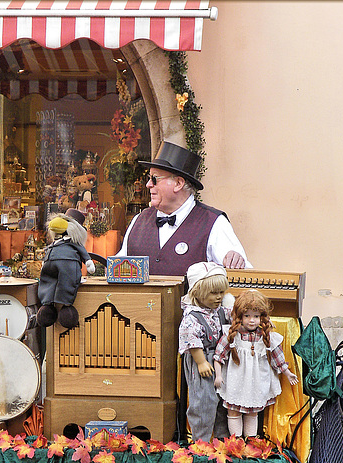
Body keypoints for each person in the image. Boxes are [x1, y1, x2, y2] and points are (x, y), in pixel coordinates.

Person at [115, 141, 251, 275]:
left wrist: (235, 262)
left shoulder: (213, 222)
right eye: (148, 178)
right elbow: (118, 271)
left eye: (155, 179)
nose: (149, 185)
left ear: (178, 183)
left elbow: (244, 278)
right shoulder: (139, 220)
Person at [213, 289, 298, 438]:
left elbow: (278, 357)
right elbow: (219, 356)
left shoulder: (266, 336)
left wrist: (287, 372)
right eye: (247, 316)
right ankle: (236, 441)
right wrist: (218, 375)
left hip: (256, 382)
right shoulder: (232, 335)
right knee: (233, 410)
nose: (251, 320)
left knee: (252, 412)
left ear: (262, 317)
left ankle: (251, 441)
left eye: (256, 316)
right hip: (236, 380)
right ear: (240, 316)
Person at [178, 262, 233, 442]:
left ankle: (222, 438)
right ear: (197, 292)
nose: (218, 297)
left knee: (223, 401)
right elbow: (192, 341)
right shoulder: (192, 316)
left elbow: (238, 316)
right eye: (213, 293)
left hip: (221, 361)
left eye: (221, 293)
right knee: (204, 401)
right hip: (203, 360)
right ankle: (201, 440)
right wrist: (201, 361)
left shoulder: (220, 311)